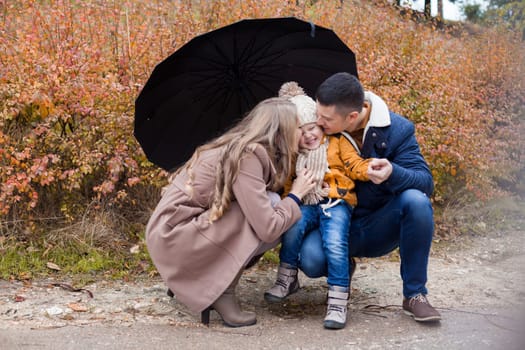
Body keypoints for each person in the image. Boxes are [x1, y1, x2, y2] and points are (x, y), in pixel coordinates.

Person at [145, 97, 316, 328]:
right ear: (281, 131)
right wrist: (296, 194)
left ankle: (198, 278)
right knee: (273, 215)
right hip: (173, 238)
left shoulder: (243, 146)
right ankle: (222, 293)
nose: (302, 133)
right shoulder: (248, 156)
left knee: (270, 202)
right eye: (298, 127)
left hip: (172, 230)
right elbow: (268, 228)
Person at [297, 72, 441, 322]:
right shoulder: (317, 133)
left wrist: (392, 173)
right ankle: (343, 266)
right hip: (334, 222)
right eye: (318, 114)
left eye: (326, 118)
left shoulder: (398, 130)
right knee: (310, 260)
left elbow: (425, 181)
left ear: (352, 116)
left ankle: (415, 294)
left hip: (378, 225)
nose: (318, 122)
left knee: (417, 201)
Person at [264, 82, 371, 329]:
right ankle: (287, 278)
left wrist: (370, 169)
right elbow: (285, 183)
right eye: (300, 132)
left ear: (320, 124)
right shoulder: (294, 155)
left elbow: (355, 165)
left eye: (312, 127)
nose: (308, 135)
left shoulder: (337, 143)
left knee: (335, 243)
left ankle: (337, 299)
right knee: (293, 226)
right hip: (306, 202)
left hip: (336, 201)